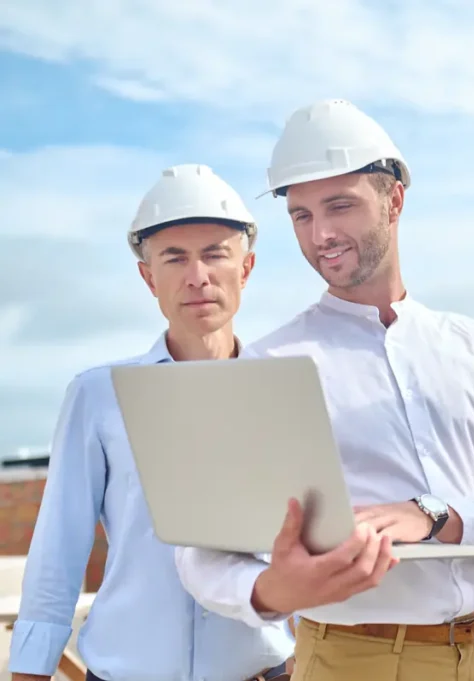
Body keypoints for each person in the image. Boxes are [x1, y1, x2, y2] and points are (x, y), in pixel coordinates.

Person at [173, 99, 474, 681]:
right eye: (301, 215)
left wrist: (435, 516)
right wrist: (269, 590)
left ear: (394, 201)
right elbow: (202, 554)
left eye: (340, 206)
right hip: (351, 661)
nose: (321, 234)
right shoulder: (268, 367)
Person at [10, 164, 295, 681]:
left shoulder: (289, 393)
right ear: (148, 277)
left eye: (214, 254)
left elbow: (310, 542)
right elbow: (59, 547)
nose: (198, 276)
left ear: (246, 268)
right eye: (175, 258)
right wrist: (31, 671)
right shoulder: (98, 396)